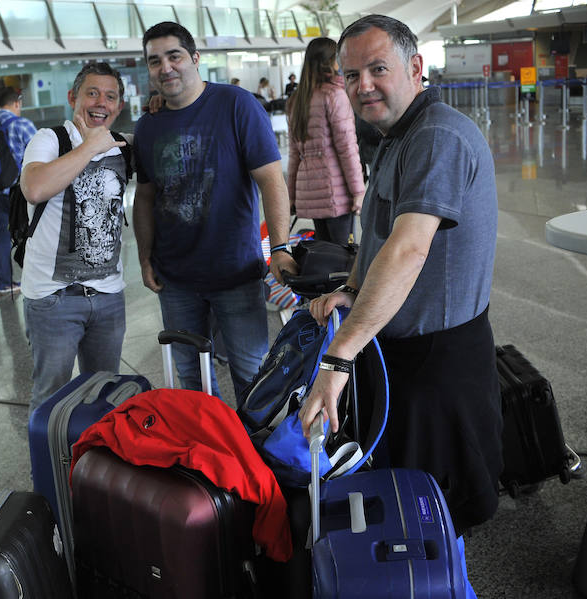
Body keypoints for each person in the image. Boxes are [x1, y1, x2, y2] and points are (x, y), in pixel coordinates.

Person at [297, 16, 502, 589]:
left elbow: (410, 247)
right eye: (352, 74)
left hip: (441, 365)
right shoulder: (397, 136)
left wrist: (338, 357)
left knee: (434, 518)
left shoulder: (437, 135)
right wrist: (355, 291)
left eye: (378, 69)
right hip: (407, 358)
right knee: (407, 508)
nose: (364, 85)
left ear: (416, 69)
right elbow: (379, 234)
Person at [133, 21, 296, 404]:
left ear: (195, 58)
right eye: (154, 61)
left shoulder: (236, 104)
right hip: (174, 278)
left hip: (235, 272)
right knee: (189, 378)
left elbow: (272, 180)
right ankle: (207, 454)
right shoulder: (149, 125)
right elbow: (145, 197)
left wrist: (280, 248)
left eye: (174, 56)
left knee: (252, 373)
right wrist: (144, 258)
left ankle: (255, 458)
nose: (165, 67)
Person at [18, 62, 133, 412]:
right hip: (54, 297)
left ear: (119, 106)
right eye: (92, 93)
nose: (101, 103)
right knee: (50, 398)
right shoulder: (49, 139)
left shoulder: (124, 148)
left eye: (110, 96)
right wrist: (90, 147)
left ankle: (91, 467)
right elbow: (35, 188)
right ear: (73, 97)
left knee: (105, 395)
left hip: (109, 296)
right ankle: (47, 468)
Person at [286, 37, 365, 245]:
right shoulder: (334, 95)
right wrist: (358, 191)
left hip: (309, 191)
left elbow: (294, 154)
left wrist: (291, 196)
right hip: (335, 191)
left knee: (324, 256)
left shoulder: (297, 99)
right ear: (331, 61)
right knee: (344, 259)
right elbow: (347, 148)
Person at [0, 88, 37, 295]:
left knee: (1, 233)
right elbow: (41, 154)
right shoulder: (21, 124)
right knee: (31, 232)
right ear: (17, 104)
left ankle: (3, 282)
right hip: (18, 190)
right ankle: (34, 280)